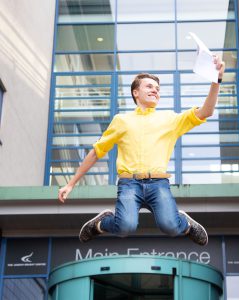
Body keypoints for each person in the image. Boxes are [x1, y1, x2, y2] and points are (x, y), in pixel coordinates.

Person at [58, 55, 225, 246]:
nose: (155, 90)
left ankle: (185, 224)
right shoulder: (122, 120)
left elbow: (207, 111)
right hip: (129, 184)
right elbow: (97, 151)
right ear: (135, 93)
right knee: (125, 227)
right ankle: (100, 224)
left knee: (170, 225)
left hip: (159, 184)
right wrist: (71, 184)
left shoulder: (170, 119)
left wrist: (216, 80)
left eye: (157, 89)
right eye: (149, 86)